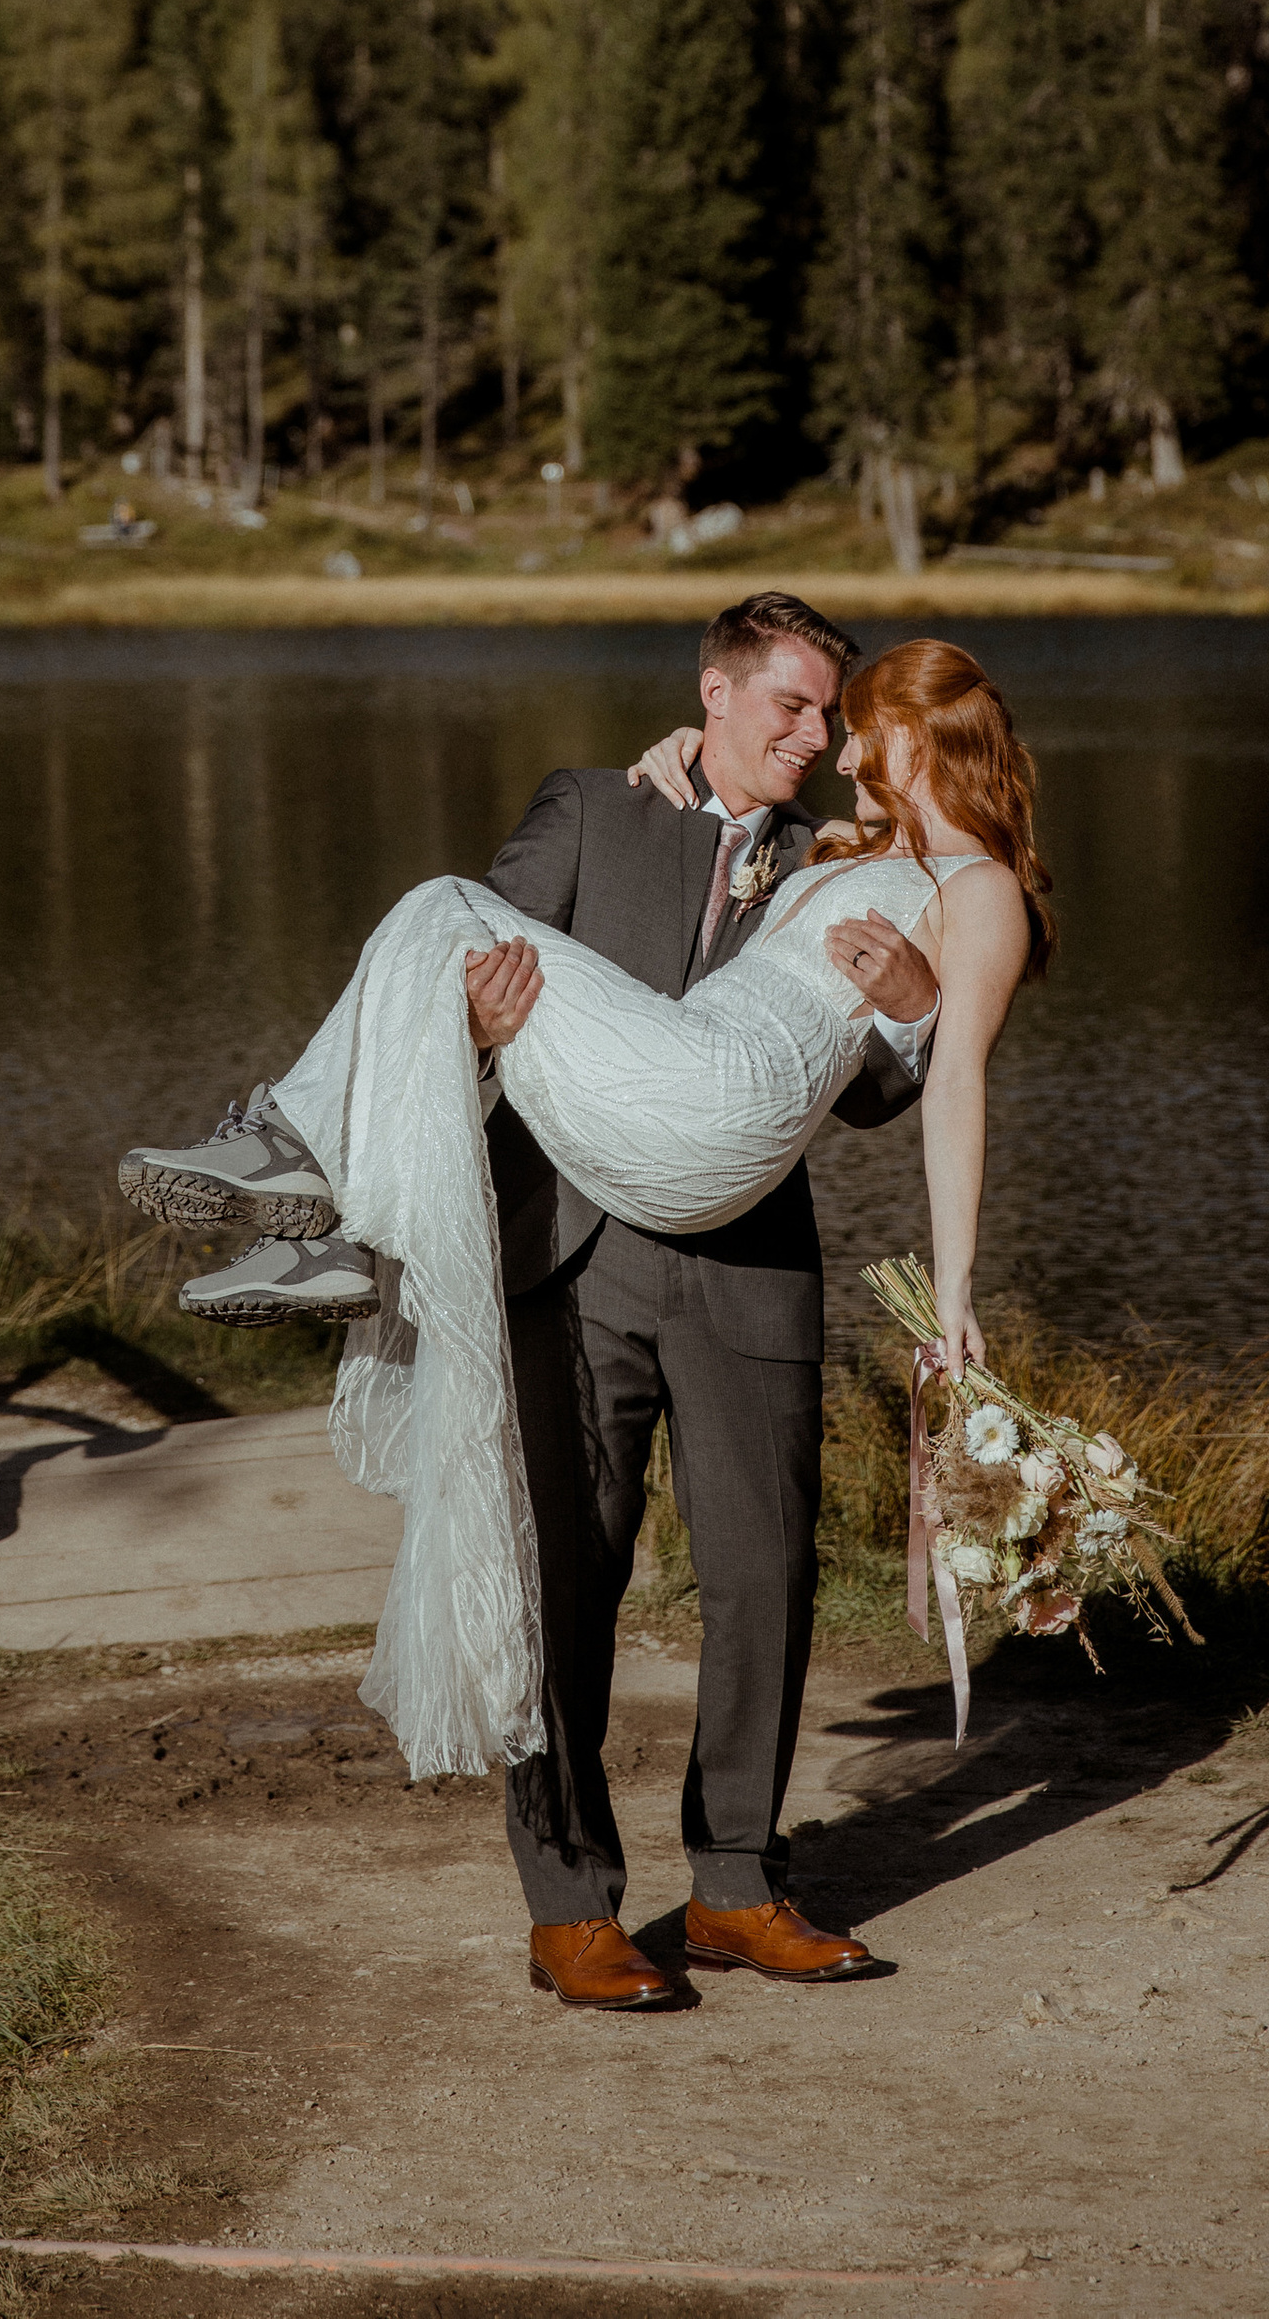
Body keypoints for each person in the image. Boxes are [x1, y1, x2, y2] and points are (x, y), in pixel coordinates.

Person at [120, 618, 1049, 2009]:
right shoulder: (602, 802)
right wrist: (483, 1029)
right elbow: (477, 974)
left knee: (765, 1580)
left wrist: (914, 1021)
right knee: (569, 1577)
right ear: (712, 692)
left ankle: (738, 1884)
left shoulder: (836, 855)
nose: (818, 742)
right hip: (577, 1244)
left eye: (838, 721)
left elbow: (875, 1082)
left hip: (744, 1252)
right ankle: (570, 1905)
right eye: (794, 711)